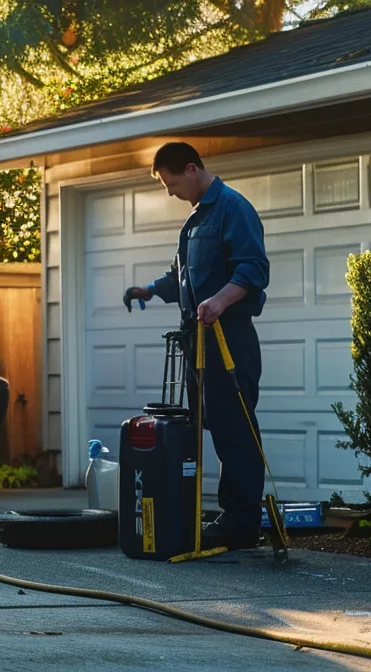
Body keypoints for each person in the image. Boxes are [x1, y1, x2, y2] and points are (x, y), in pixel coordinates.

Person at [123, 142, 270, 550]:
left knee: (235, 429)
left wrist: (220, 301)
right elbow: (183, 278)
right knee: (213, 428)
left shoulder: (232, 208)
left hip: (229, 340)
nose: (170, 193)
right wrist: (149, 290)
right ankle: (226, 513)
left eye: (172, 184)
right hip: (198, 341)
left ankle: (241, 525)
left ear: (191, 169)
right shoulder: (194, 220)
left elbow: (254, 269)